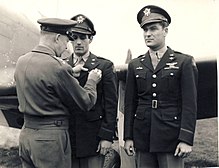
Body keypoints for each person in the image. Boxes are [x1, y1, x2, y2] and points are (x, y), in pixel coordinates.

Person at [14, 17, 102, 168]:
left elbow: (42, 81)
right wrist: (92, 80)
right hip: (50, 139)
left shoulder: (22, 61)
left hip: (26, 136)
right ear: (57, 38)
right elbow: (86, 101)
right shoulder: (57, 67)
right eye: (66, 41)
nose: (67, 47)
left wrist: (69, 73)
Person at [124, 5, 198, 168]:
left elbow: (189, 105)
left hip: (171, 137)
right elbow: (130, 104)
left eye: (153, 29)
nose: (148, 34)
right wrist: (128, 136)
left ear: (165, 30)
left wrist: (185, 139)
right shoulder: (135, 65)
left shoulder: (183, 62)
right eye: (145, 30)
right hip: (143, 137)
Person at [65, 14, 119, 168]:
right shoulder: (62, 65)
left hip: (93, 138)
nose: (78, 42)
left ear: (91, 39)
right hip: (68, 137)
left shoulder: (104, 66)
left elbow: (110, 104)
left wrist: (107, 137)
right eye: (74, 37)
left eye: (83, 37)